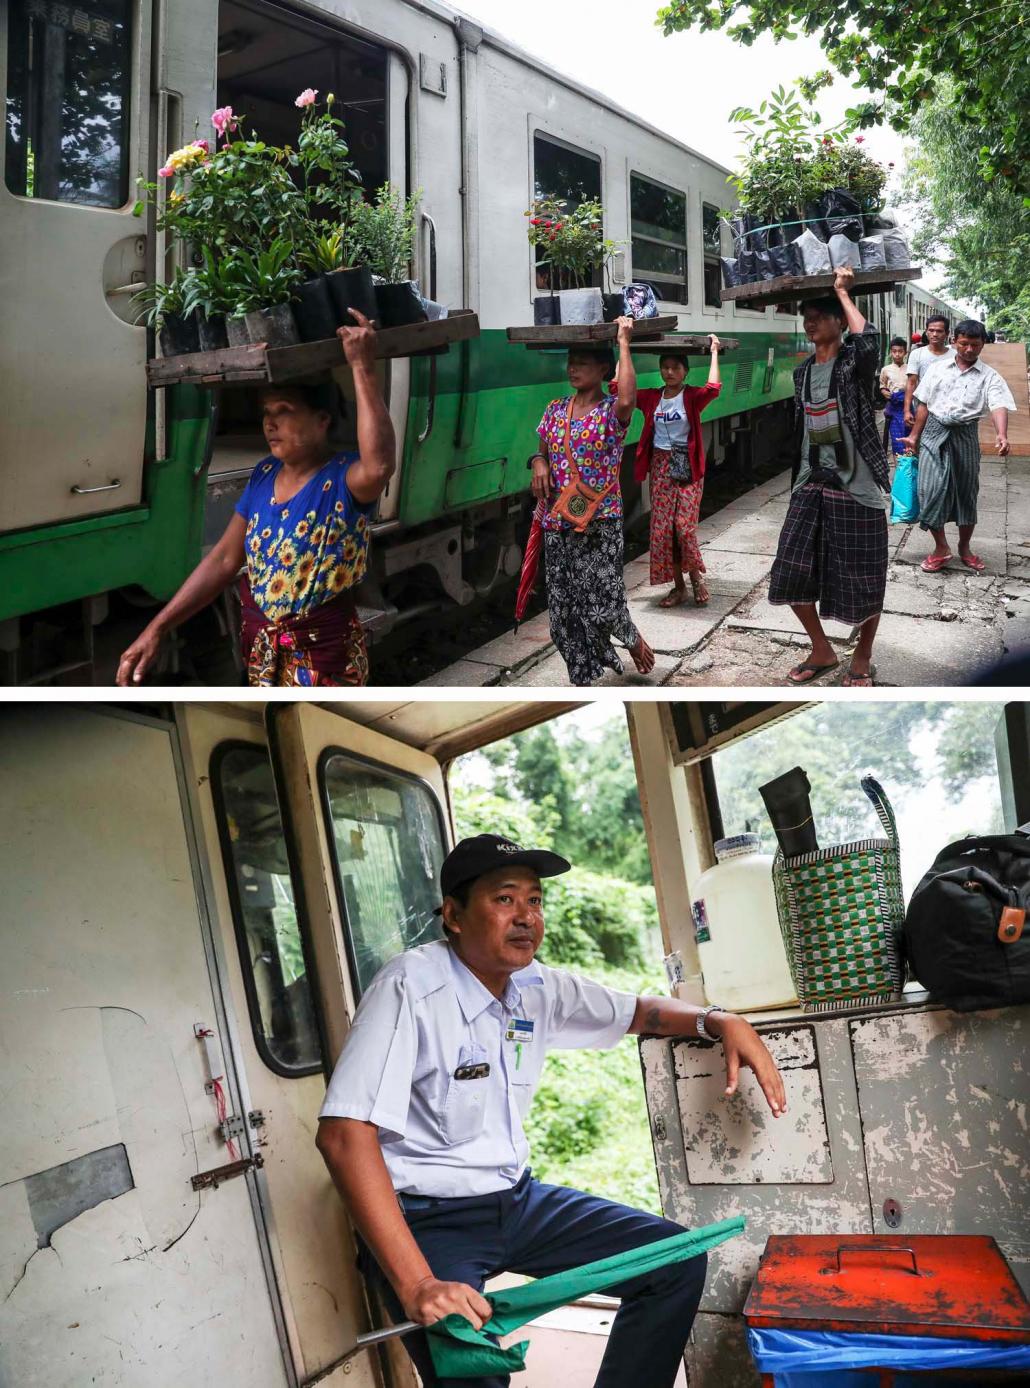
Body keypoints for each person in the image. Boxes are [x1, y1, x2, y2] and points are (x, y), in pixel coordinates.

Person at [315, 833, 786, 1388]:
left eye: (535, 901)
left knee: (672, 1261)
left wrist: (719, 1020)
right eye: (504, 899)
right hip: (427, 1220)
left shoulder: (534, 987)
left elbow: (641, 1012)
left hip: (518, 1202)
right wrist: (418, 1284)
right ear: (454, 916)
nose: (526, 917)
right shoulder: (409, 987)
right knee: (473, 1369)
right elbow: (344, 1136)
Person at [116, 311, 394, 686]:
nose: (270, 423)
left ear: (322, 420)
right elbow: (225, 558)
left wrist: (363, 367)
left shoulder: (343, 477)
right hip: (266, 661)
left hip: (325, 663)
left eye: (285, 412)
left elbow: (378, 467)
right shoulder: (264, 475)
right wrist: (158, 627)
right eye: (267, 413)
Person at [767, 266, 890, 689]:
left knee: (865, 578)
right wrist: (800, 476)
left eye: (820, 315)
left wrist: (842, 293)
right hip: (811, 482)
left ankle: (862, 656)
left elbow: (869, 341)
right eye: (807, 317)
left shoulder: (852, 365)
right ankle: (821, 649)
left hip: (856, 486)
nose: (811, 322)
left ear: (839, 322)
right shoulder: (802, 373)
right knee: (789, 571)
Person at [529, 317, 655, 685]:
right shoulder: (554, 409)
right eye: (571, 361)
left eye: (582, 362)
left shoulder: (611, 412)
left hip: (600, 520)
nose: (573, 368)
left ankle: (630, 638)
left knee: (602, 598)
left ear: (604, 369)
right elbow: (541, 452)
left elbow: (629, 398)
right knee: (564, 610)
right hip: (558, 521)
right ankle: (582, 675)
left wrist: (624, 342)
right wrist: (538, 463)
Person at [899, 319, 1015, 574]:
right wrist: (914, 436)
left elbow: (998, 405)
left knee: (966, 493)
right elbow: (924, 405)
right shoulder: (938, 369)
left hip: (965, 435)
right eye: (964, 344)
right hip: (933, 433)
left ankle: (964, 547)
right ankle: (941, 548)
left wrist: (1002, 435)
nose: (970, 350)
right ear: (955, 342)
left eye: (975, 345)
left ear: (983, 344)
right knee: (929, 490)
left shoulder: (989, 376)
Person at [613, 337, 722, 608]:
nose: (669, 372)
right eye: (665, 367)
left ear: (685, 371)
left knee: (683, 527)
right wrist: (623, 348)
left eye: (675, 367)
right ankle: (679, 587)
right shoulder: (652, 397)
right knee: (663, 531)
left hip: (686, 465)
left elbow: (713, 388)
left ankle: (697, 579)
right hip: (660, 466)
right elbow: (618, 388)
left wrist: (714, 353)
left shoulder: (692, 396)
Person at [903, 314, 955, 428]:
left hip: (949, 409)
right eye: (931, 330)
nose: (935, 334)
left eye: (939, 331)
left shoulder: (955, 355)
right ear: (926, 332)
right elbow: (911, 383)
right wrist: (907, 410)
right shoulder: (917, 354)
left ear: (947, 333)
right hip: (923, 408)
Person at [880, 337, 909, 462]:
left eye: (900, 351)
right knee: (896, 440)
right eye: (894, 351)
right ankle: (899, 468)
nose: (897, 354)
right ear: (891, 352)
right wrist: (885, 393)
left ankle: (909, 467)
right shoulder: (885, 370)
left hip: (908, 407)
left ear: (905, 352)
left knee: (909, 438)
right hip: (894, 408)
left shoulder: (910, 368)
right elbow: (882, 386)